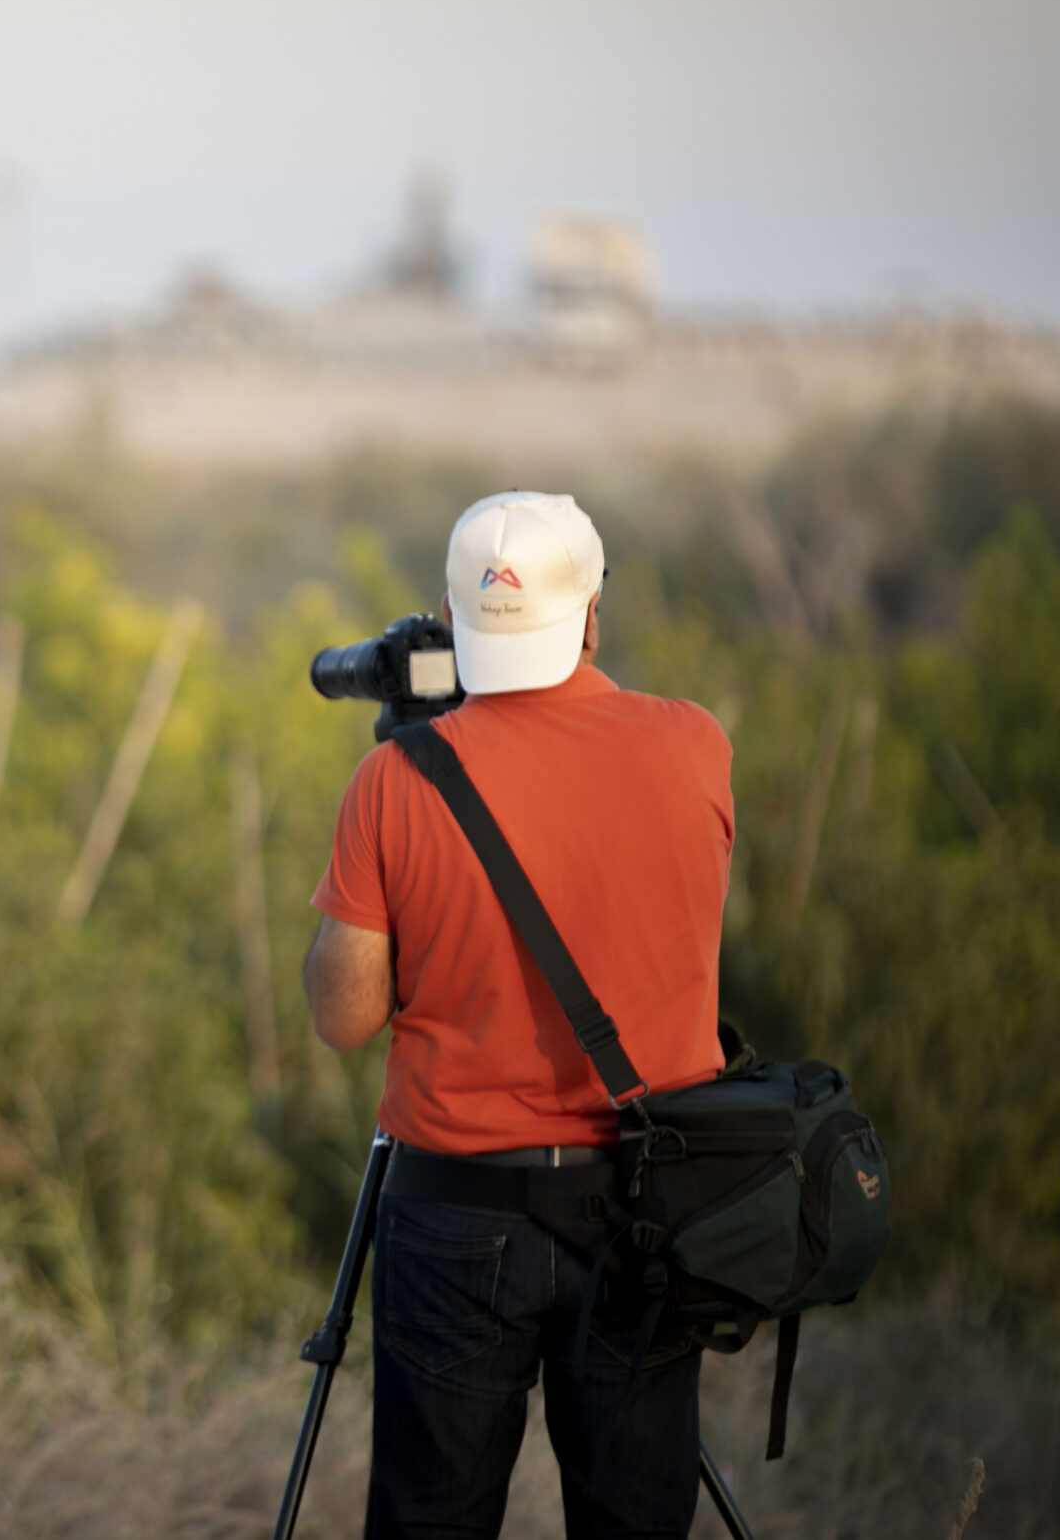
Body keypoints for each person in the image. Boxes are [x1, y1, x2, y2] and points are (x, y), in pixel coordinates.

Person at [304, 491, 734, 1540]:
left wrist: (418, 761)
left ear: (451, 626)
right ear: (590, 615)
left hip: (454, 1212)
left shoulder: (393, 780)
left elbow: (342, 1016)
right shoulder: (694, 744)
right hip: (645, 1205)